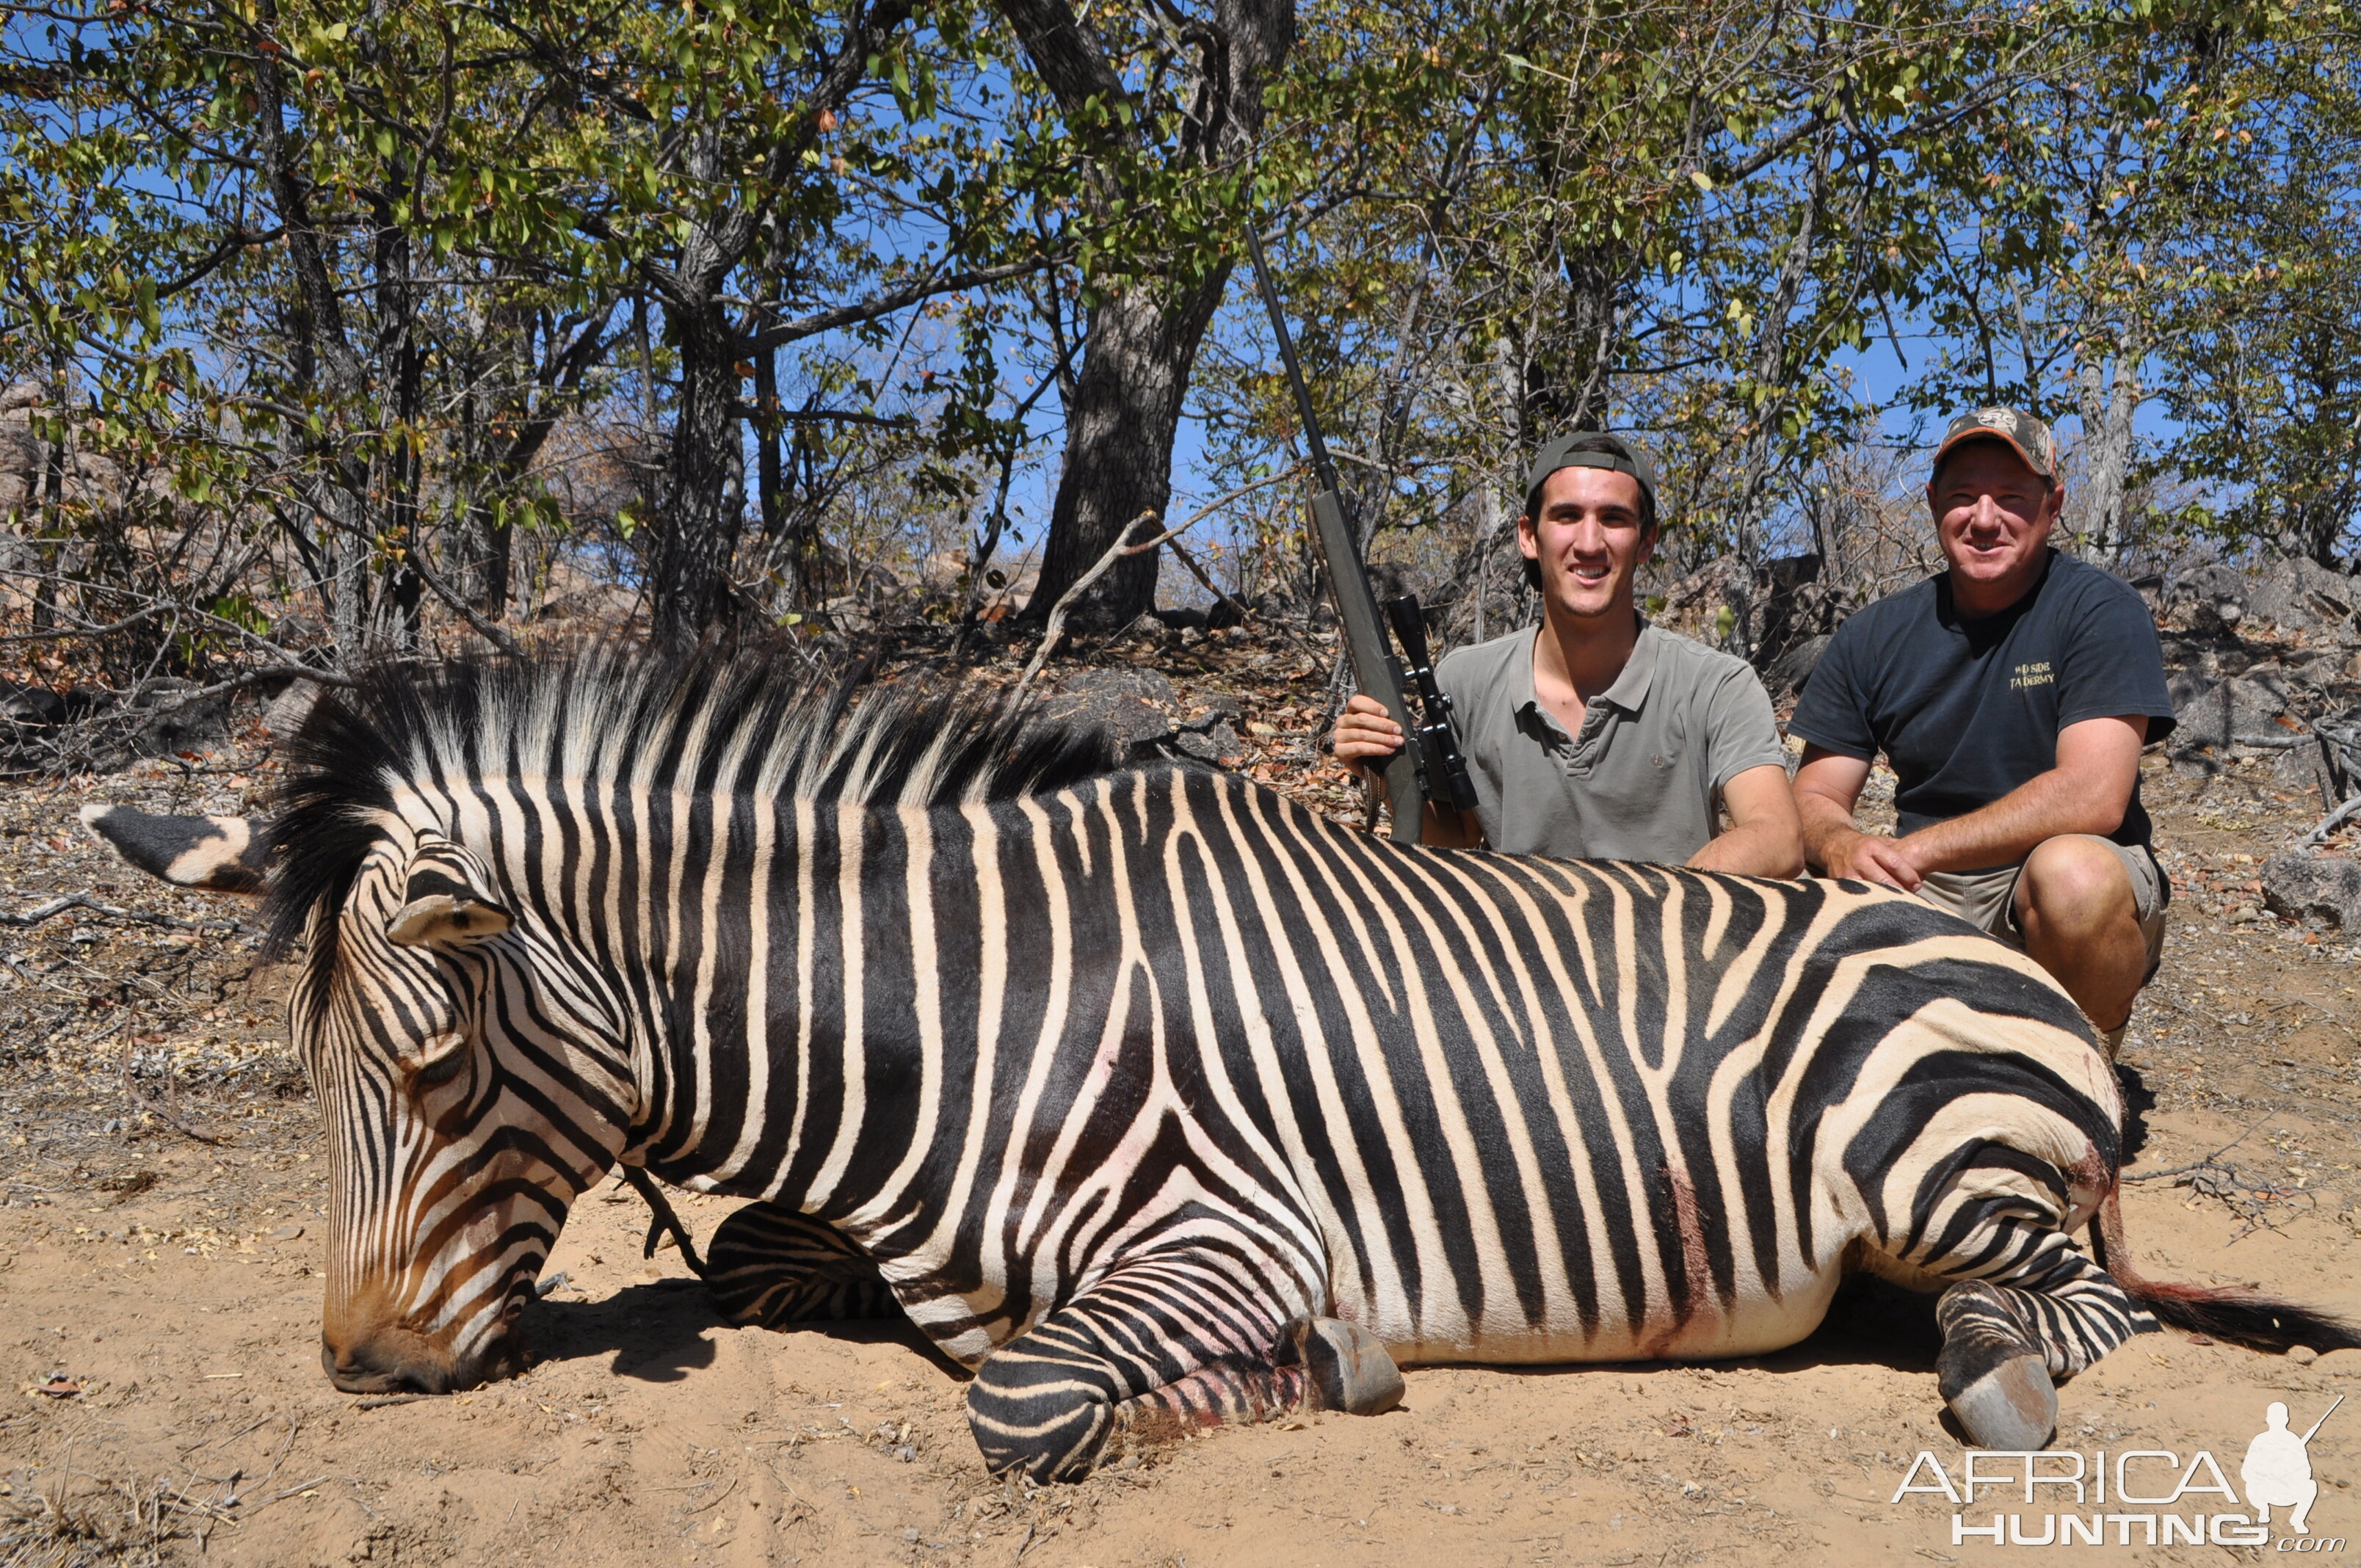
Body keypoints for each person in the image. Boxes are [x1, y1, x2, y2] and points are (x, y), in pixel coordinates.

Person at [1788, 407, 2177, 1050]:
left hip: (2042, 879)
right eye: (1964, 497)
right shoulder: (1872, 635)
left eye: (2012, 498)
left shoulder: (2101, 610)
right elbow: (1813, 798)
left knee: (2072, 877)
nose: (1985, 519)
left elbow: (2095, 795)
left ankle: (2085, 1059)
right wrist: (1841, 847)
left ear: (2053, 506)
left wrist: (1919, 850)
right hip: (1917, 888)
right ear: (1935, 503)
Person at [1334, 432, 1805, 876]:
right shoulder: (1466, 680)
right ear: (1528, 536)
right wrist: (1383, 769)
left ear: (1646, 542)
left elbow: (1777, 836)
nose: (1589, 542)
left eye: (1614, 518)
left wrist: (1651, 912)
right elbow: (1454, 839)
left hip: (1672, 947)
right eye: (1566, 516)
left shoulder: (1718, 685)